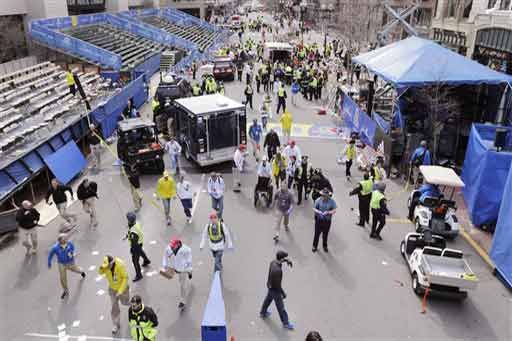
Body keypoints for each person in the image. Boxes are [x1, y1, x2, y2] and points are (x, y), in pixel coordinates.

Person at [259, 250, 295, 330]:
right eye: (284, 258)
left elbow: (271, 276)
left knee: (268, 299)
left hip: (270, 285)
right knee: (281, 308)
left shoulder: (273, 262)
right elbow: (278, 285)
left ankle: (263, 312)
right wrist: (283, 293)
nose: (285, 259)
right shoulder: (278, 271)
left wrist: (287, 260)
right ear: (281, 259)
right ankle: (286, 323)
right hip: (275, 290)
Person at [98, 255, 130, 334]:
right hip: (112, 289)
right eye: (106, 266)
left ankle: (134, 304)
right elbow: (100, 272)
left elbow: (125, 278)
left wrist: (120, 291)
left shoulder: (120, 265)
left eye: (108, 265)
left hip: (123, 289)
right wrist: (101, 268)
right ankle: (116, 324)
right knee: (114, 307)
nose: (107, 267)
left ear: (112, 262)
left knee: (125, 302)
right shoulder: (106, 266)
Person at [48, 234, 86, 299]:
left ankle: (81, 271)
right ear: (60, 240)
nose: (66, 239)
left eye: (66, 238)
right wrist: (49, 261)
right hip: (61, 264)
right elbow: (51, 254)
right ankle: (65, 290)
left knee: (77, 270)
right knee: (62, 278)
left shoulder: (70, 243)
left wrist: (72, 253)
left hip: (70, 262)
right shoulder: (55, 247)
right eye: (64, 238)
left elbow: (73, 249)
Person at [160, 239, 193, 309]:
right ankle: (189, 272)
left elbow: (189, 259)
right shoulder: (169, 248)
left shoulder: (186, 249)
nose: (171, 248)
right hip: (174, 267)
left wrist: (187, 266)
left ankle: (182, 301)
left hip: (183, 269)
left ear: (178, 245)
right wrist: (164, 265)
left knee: (182, 285)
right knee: (175, 279)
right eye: (171, 246)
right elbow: (165, 256)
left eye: (173, 247)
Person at [125, 212, 151, 282]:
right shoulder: (136, 223)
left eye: (127, 219)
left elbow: (134, 242)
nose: (127, 220)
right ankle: (146, 260)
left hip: (136, 245)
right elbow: (131, 231)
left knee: (135, 260)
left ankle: (139, 275)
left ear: (130, 220)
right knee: (141, 251)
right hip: (140, 242)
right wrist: (128, 235)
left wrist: (132, 250)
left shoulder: (133, 231)